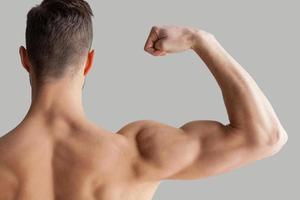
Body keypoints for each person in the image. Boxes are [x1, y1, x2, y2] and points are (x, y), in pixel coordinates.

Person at [0, 0, 288, 199]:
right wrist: (199, 39)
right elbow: (266, 136)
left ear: (25, 60)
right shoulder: (135, 154)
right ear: (89, 62)